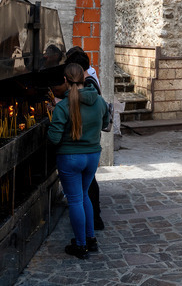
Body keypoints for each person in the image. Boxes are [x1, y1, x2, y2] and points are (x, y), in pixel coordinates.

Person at [47, 62, 109, 259]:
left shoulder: (63, 106)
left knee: (74, 200)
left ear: (65, 81)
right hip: (92, 156)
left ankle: (80, 245)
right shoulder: (99, 101)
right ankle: (90, 239)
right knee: (84, 197)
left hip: (70, 158)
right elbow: (106, 123)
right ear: (84, 77)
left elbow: (54, 138)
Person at [63, 48, 106, 231]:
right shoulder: (91, 78)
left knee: (81, 196)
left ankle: (86, 233)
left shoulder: (88, 85)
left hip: (80, 145)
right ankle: (91, 230)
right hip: (91, 147)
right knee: (85, 191)